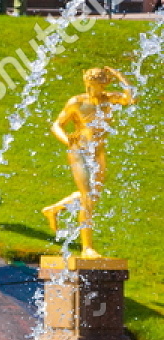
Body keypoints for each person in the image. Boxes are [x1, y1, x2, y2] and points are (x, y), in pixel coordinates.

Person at [41, 67, 133, 258]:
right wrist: (67, 140)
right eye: (91, 85)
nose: (94, 90)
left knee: (93, 196)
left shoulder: (110, 99)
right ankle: (87, 248)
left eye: (98, 85)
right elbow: (56, 125)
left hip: (98, 153)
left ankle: (54, 209)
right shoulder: (77, 102)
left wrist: (122, 79)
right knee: (87, 197)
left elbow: (131, 99)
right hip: (79, 151)